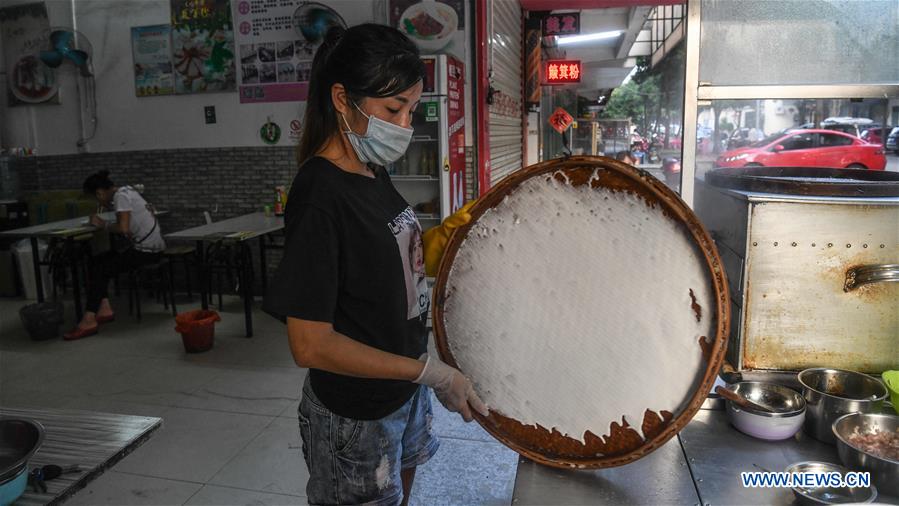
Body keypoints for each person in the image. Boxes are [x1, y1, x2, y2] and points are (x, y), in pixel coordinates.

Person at [262, 24, 488, 506]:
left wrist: (439, 241)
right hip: (356, 413)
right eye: (392, 109)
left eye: (411, 109)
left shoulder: (371, 170)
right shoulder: (319, 195)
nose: (405, 124)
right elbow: (310, 344)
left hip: (403, 391)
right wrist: (433, 374)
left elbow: (382, 262)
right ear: (342, 98)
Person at [64, 170, 166, 340]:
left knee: (100, 269)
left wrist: (102, 224)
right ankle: (104, 308)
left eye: (96, 198)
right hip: (152, 248)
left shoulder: (121, 197)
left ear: (100, 192)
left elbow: (123, 228)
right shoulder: (128, 191)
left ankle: (89, 319)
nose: (99, 202)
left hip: (146, 252)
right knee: (97, 260)